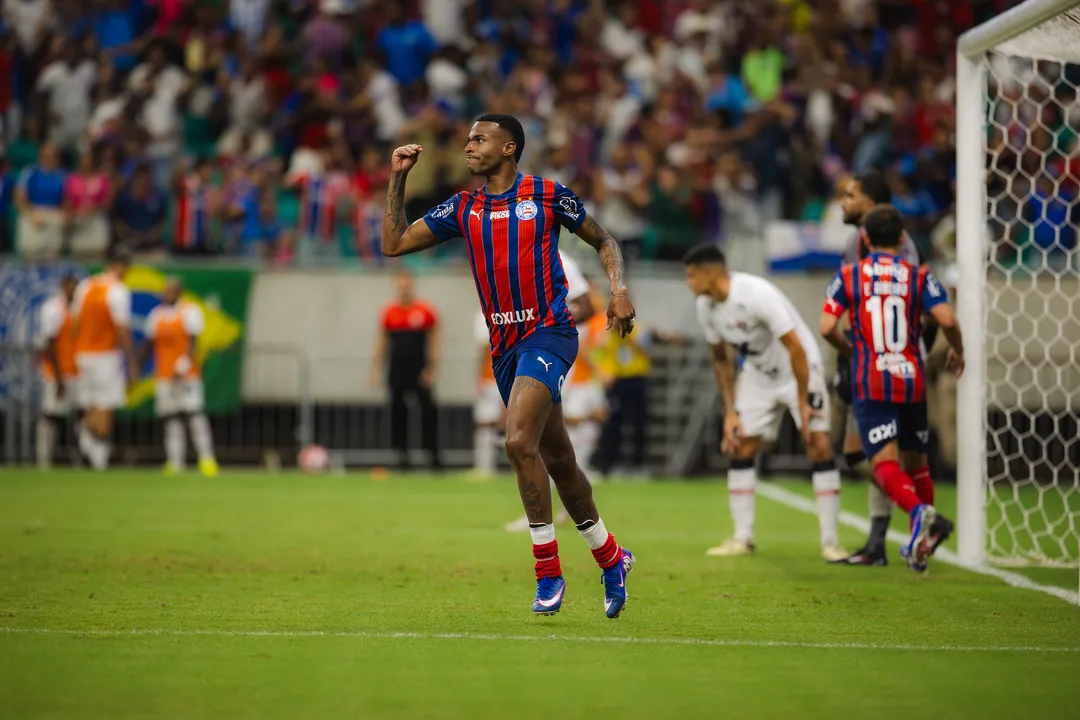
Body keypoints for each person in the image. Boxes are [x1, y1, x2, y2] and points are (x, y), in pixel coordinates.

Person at [381, 113, 637, 618]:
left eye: (479, 139)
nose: (468, 146)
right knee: (559, 459)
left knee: (518, 439)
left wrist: (619, 291)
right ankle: (611, 557)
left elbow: (605, 240)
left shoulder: (546, 194)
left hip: (550, 335)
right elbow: (393, 244)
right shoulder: (464, 207)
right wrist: (398, 178)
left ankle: (547, 572)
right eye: (468, 139)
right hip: (505, 347)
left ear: (509, 147)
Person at [820, 205, 963, 572]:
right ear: (902, 239)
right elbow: (946, 318)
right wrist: (959, 351)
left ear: (865, 239)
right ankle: (924, 547)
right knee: (917, 461)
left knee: (883, 462)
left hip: (873, 379)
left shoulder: (850, 275)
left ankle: (919, 515)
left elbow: (826, 327)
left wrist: (851, 351)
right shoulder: (919, 276)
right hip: (911, 377)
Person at [683, 243, 846, 561]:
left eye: (691, 276)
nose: (688, 283)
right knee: (741, 443)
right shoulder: (706, 306)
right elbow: (720, 359)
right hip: (758, 374)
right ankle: (743, 538)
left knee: (818, 446)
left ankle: (831, 542)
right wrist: (730, 411)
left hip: (798, 368)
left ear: (710, 273)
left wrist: (802, 398)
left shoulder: (757, 294)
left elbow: (796, 347)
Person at [502, 249, 594, 532]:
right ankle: (553, 516)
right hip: (520, 359)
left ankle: (552, 516)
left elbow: (586, 306)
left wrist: (547, 326)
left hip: (553, 361)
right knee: (545, 447)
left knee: (546, 445)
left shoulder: (557, 256)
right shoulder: (504, 251)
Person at [141, 277, 219, 477]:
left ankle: (207, 459)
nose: (168, 293)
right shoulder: (156, 315)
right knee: (171, 418)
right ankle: (175, 462)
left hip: (186, 375)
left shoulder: (190, 311)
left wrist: (183, 364)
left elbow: (193, 341)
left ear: (179, 291)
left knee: (194, 415)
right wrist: (136, 368)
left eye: (172, 289)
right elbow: (149, 345)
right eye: (166, 289)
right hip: (164, 375)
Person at [71, 249, 138, 471]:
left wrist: (77, 350)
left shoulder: (85, 285)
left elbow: (75, 324)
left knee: (91, 402)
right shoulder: (118, 290)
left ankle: (86, 441)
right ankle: (98, 455)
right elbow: (121, 329)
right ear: (121, 267)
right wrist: (132, 361)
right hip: (105, 354)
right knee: (105, 403)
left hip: (83, 353)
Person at [369, 270, 441, 471]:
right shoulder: (389, 312)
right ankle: (401, 455)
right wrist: (375, 370)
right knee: (398, 411)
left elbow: (435, 340)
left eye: (406, 285)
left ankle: (432, 455)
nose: (403, 289)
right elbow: (382, 343)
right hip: (397, 368)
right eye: (400, 285)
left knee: (428, 410)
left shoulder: (424, 311)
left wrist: (432, 367)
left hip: (419, 368)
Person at [36, 272, 79, 469]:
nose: (73, 289)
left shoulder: (79, 308)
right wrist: (58, 376)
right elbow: (50, 343)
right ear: (63, 286)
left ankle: (79, 461)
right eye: (70, 285)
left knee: (81, 417)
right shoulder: (53, 308)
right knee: (50, 415)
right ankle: (43, 460)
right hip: (56, 373)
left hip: (77, 371)